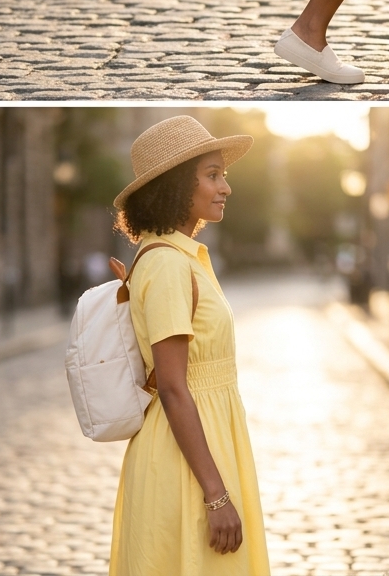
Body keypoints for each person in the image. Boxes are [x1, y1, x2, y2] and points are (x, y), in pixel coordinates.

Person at [109, 115, 271, 576]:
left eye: (224, 175)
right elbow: (175, 387)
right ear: (179, 185)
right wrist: (216, 495)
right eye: (213, 175)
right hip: (185, 460)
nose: (226, 187)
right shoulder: (167, 265)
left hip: (206, 443)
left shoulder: (180, 257)